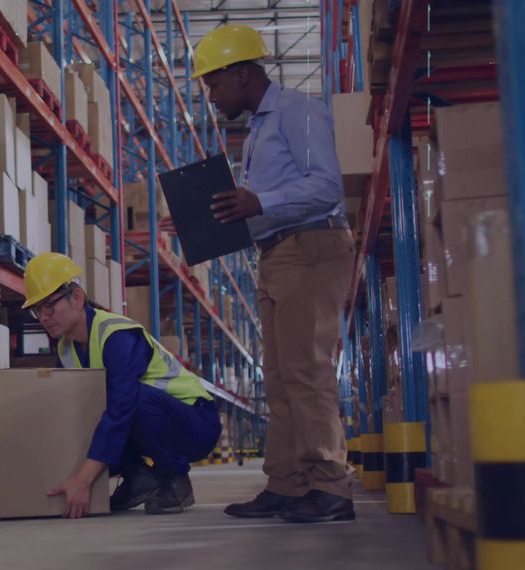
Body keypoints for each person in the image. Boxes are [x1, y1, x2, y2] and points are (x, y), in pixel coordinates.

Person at [183, 24, 357, 523]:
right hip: (277, 253)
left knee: (307, 370)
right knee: (279, 378)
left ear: (242, 75)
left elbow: (325, 187)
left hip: (311, 246)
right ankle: (287, 482)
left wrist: (262, 201)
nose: (212, 98)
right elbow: (256, 207)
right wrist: (204, 218)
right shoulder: (258, 130)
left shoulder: (297, 112)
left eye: (214, 86)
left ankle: (331, 487)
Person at [22, 253, 222, 518]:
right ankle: (139, 477)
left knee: (129, 401)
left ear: (77, 298)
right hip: (154, 421)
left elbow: (122, 409)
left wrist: (83, 481)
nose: (44, 317)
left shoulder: (117, 336)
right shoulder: (66, 349)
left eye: (49, 306)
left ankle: (175, 480)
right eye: (38, 310)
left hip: (195, 422)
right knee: (87, 410)